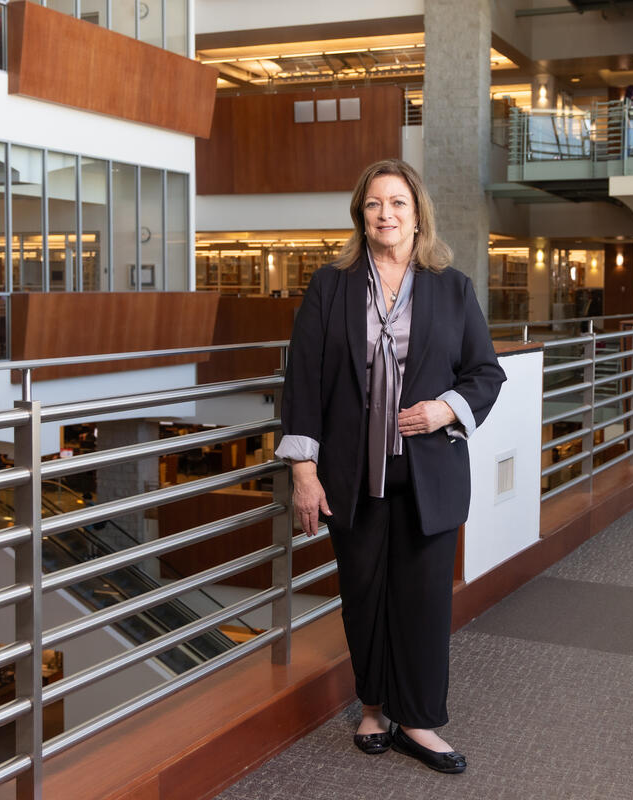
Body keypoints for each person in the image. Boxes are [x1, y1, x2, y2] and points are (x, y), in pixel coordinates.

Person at [276, 158, 505, 774]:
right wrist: (304, 472)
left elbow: (485, 373)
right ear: (361, 215)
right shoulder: (330, 286)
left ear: (417, 214)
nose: (386, 214)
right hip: (352, 476)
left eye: (398, 203)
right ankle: (374, 708)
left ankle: (419, 721)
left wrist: (444, 409)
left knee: (424, 601)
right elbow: (304, 382)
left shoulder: (452, 287)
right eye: (374, 204)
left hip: (427, 472)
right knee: (364, 596)